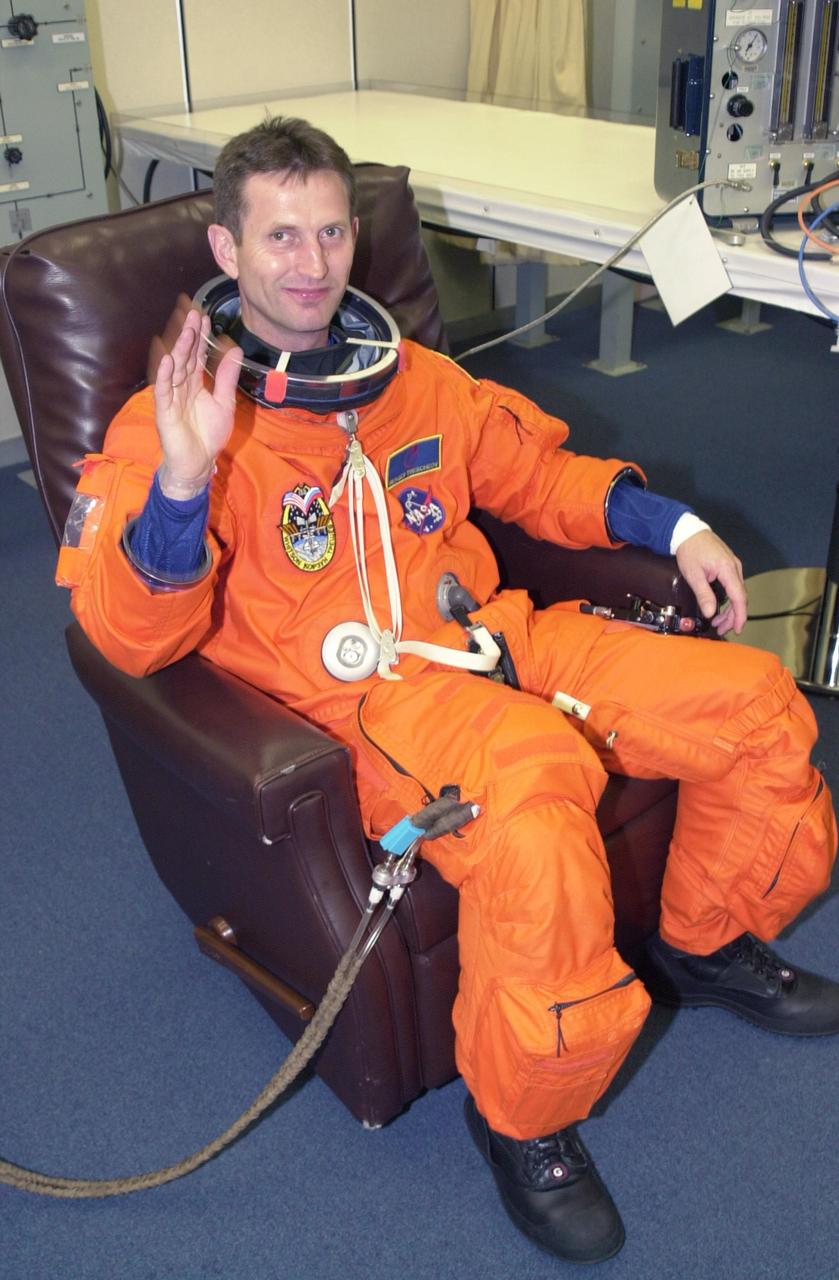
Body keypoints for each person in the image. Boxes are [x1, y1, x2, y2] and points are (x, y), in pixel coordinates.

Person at [58, 116, 838, 1266]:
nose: (312, 263)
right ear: (226, 248)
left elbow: (537, 473)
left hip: (493, 638)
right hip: (372, 706)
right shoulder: (173, 425)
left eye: (331, 231)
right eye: (280, 236)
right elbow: (128, 634)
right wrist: (181, 480)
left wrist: (675, 525)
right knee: (535, 802)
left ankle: (706, 939)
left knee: (756, 702)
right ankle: (525, 1117)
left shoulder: (415, 381)